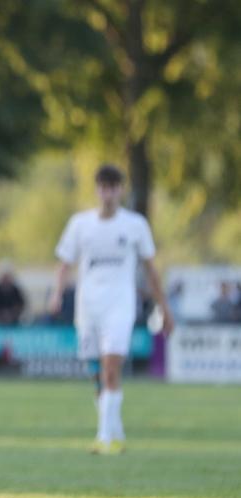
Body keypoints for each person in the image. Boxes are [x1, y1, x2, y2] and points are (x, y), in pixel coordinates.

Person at [50, 164, 174, 455]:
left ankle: (104, 438)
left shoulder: (135, 225)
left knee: (111, 368)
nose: (108, 193)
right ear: (97, 190)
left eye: (113, 187)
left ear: (121, 190)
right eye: (103, 187)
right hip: (88, 307)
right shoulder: (80, 224)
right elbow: (64, 264)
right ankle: (115, 429)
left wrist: (164, 307)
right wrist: (56, 294)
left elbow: (151, 270)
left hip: (119, 306)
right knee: (95, 373)